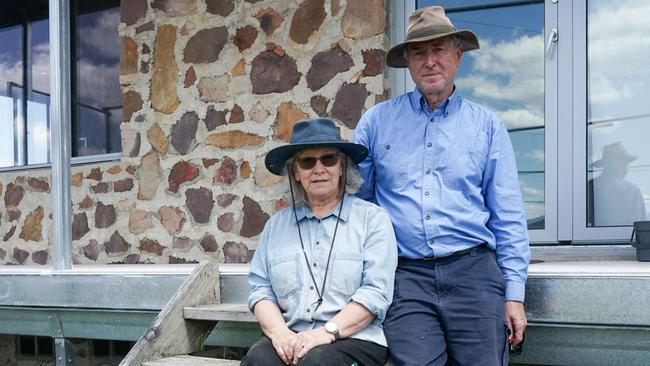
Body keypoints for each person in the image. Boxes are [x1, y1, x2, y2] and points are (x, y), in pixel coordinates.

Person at [352, 6, 531, 366]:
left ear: (458, 56)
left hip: (474, 274)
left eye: (439, 50)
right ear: (408, 61)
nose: (430, 61)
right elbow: (360, 207)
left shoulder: (487, 127)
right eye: (419, 52)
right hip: (405, 277)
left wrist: (514, 294)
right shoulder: (375, 123)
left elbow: (507, 214)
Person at [242, 118, 398, 366]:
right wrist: (280, 334)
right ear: (296, 172)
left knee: (317, 362)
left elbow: (375, 293)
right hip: (291, 335)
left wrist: (326, 332)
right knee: (258, 361)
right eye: (307, 161)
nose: (318, 168)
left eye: (328, 159)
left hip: (353, 338)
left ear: (341, 167)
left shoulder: (373, 220)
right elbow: (261, 291)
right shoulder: (276, 226)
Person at [588, 141, 646, 226]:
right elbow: (640, 224)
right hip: (625, 238)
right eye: (624, 162)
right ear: (615, 164)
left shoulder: (589, 186)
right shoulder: (632, 190)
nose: (626, 167)